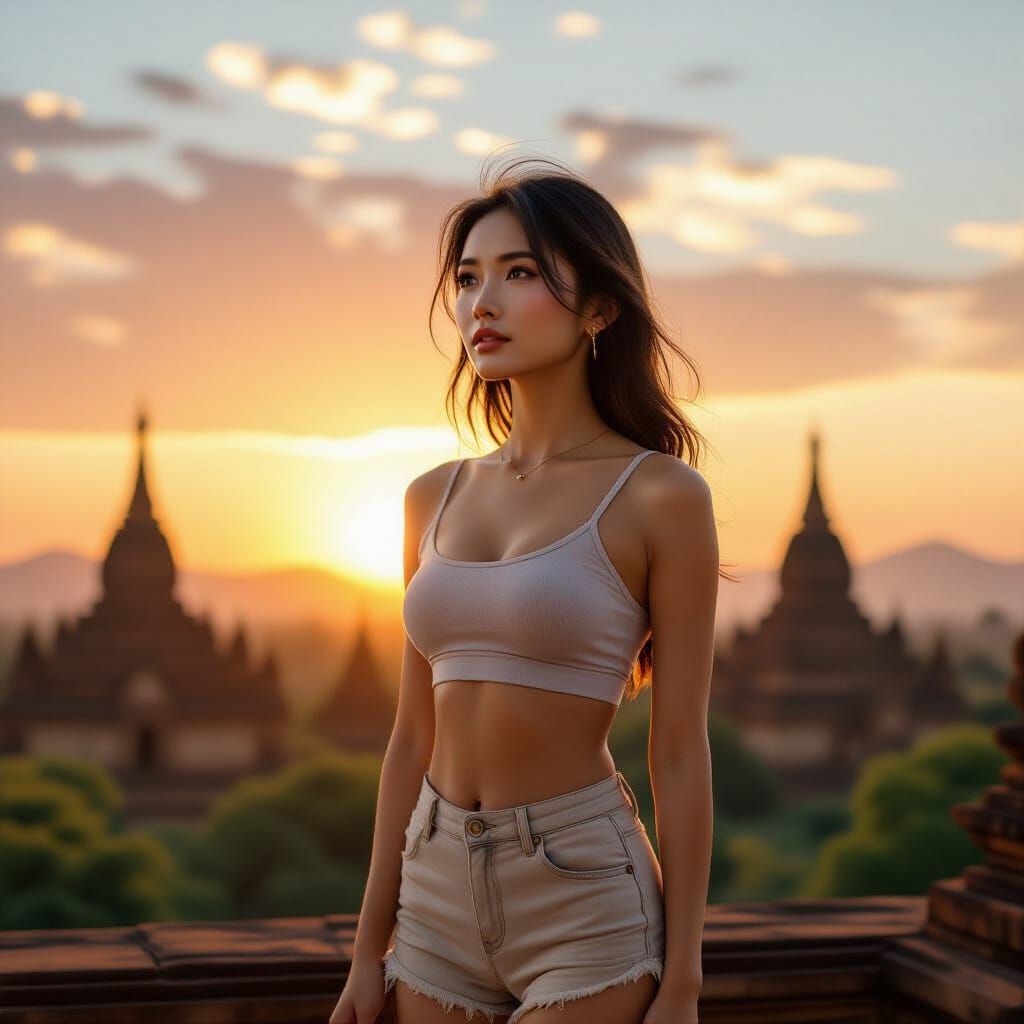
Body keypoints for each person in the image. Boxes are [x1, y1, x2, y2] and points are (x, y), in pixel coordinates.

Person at [330, 154, 721, 1024]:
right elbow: (410, 737)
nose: (483, 302)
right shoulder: (431, 496)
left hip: (581, 890)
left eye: (520, 273)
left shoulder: (661, 496)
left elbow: (679, 751)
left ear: (600, 308)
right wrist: (367, 947)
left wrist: (685, 981)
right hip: (433, 893)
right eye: (468, 278)